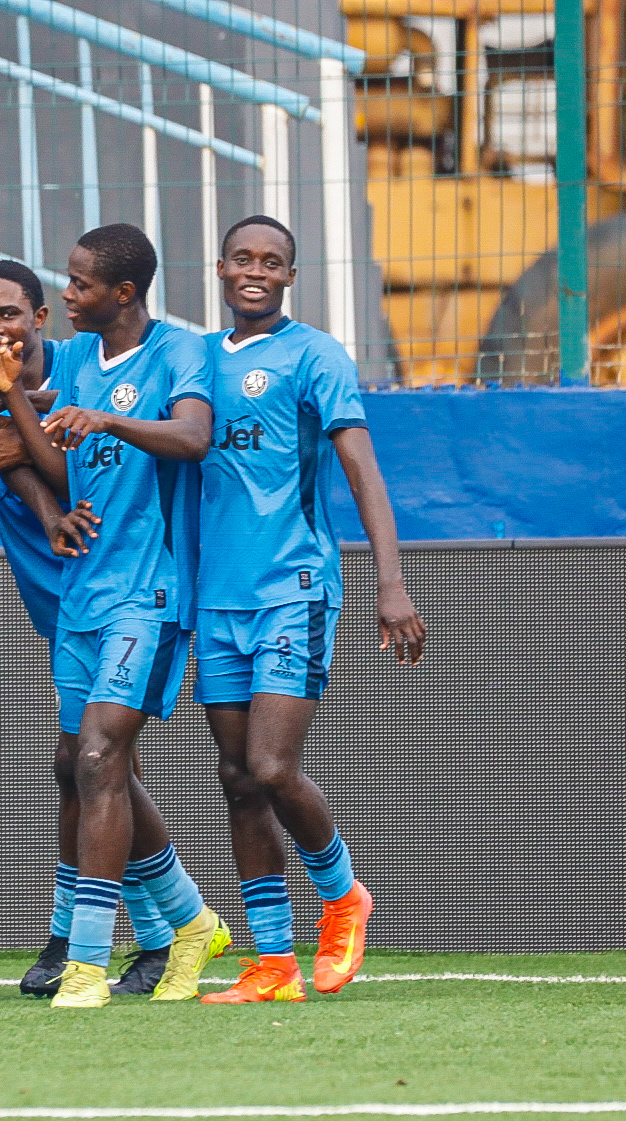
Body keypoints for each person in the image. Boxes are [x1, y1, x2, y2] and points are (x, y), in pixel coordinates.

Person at [0, 223, 228, 1009]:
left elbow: (193, 438)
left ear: (123, 293)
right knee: (85, 765)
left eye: (80, 282)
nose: (67, 292)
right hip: (83, 596)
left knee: (95, 758)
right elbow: (66, 467)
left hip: (150, 595)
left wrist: (106, 419)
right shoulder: (81, 362)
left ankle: (85, 962)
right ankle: (189, 921)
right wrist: (18, 399)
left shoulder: (181, 353)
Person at [195, 216, 425, 1005]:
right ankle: (271, 962)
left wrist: (388, 581)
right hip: (213, 598)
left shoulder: (314, 354)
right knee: (235, 780)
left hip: (291, 588)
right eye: (242, 258)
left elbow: (361, 468)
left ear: (290, 275)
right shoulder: (194, 359)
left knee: (269, 765)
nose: (255, 271)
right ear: (219, 267)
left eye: (272, 262)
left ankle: (342, 893)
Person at [0, 259, 177, 997]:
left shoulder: (80, 361)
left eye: (9, 313)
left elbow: (64, 444)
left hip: (119, 577)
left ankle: (101, 934)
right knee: (91, 765)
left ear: (40, 317)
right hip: (58, 590)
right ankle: (156, 929)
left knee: (94, 760)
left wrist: (20, 425)